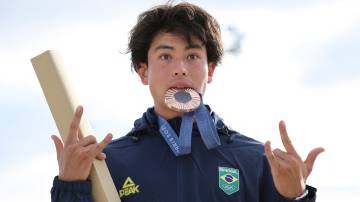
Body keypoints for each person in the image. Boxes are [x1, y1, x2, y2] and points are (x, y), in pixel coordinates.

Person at [50, 2, 324, 202]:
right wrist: (70, 186)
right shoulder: (108, 163)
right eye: (166, 56)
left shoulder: (256, 161)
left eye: (192, 56)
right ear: (143, 71)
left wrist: (297, 198)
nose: (180, 68)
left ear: (211, 70)